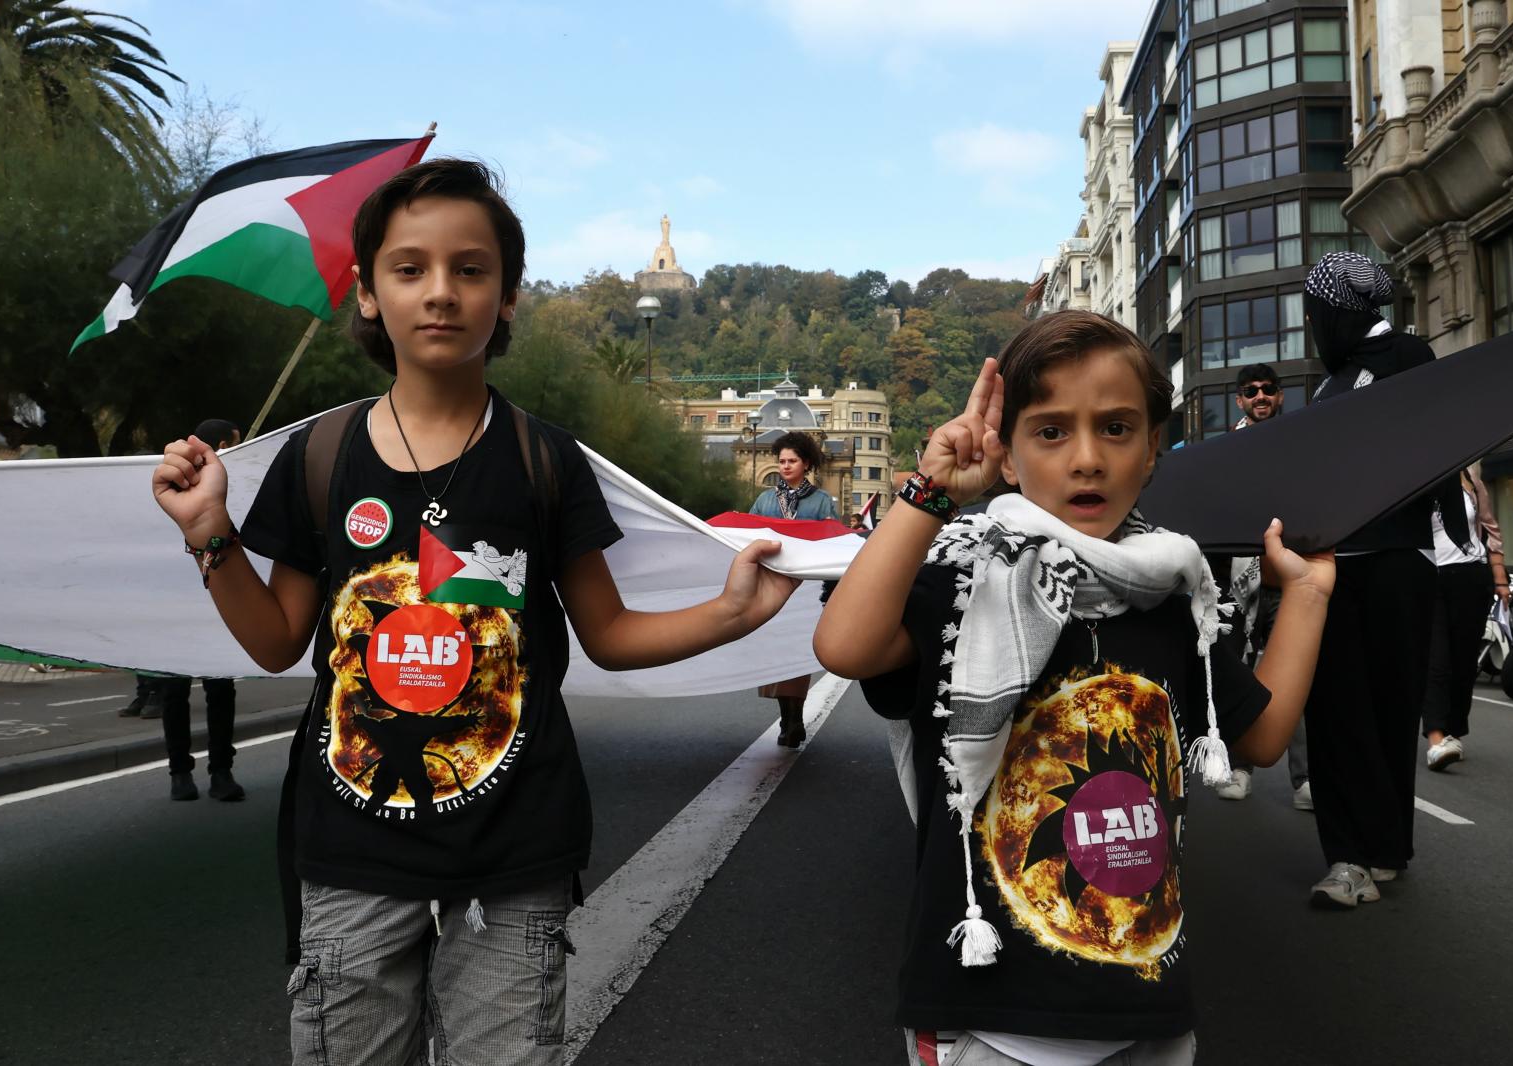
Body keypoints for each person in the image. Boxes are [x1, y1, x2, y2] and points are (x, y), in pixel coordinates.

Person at [150, 159, 799, 1065]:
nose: (441, 292)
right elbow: (272, 642)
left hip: (514, 853)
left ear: (509, 297)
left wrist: (732, 614)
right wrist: (210, 534)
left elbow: (608, 637)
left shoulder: (545, 460)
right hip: (349, 851)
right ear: (369, 294)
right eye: (409, 269)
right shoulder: (319, 455)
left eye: (471, 268)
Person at [815, 310, 1332, 1065]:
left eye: (1117, 429)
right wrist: (931, 491)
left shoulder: (1174, 593)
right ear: (1009, 456)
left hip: (1148, 1007)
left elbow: (1259, 735)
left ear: (1154, 448)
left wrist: (1310, 597)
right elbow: (846, 644)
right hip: (986, 1016)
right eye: (1051, 431)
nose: (1086, 458)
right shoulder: (961, 582)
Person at [1301, 251, 1464, 908]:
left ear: (1338, 310)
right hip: (1337, 565)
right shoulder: (1328, 382)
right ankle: (1353, 855)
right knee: (1339, 711)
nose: (1312, 326)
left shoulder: (1406, 357)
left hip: (1396, 562)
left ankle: (1381, 850)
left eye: (1315, 313)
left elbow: (1429, 448)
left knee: (1385, 712)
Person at [1214, 363, 1310, 810]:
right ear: (1239, 400)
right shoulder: (1228, 450)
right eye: (1251, 391)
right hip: (1239, 587)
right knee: (1241, 679)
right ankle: (1239, 767)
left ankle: (1305, 778)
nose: (1260, 397)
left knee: (1297, 679)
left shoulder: (1297, 446)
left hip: (1289, 581)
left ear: (1280, 395)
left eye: (1268, 390)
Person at [158, 419, 248, 802]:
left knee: (220, 688)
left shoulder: (228, 486)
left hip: (215, 601)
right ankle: (181, 771)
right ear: (224, 444)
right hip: (172, 607)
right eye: (239, 444)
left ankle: (220, 770)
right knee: (174, 691)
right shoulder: (169, 479)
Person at [748, 430, 837, 747]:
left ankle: (794, 719)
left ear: (806, 463)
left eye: (792, 460)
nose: (785, 466)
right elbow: (747, 537)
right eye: (781, 461)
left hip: (806, 590)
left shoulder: (822, 500)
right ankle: (786, 717)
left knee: (797, 655)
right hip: (770, 584)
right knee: (774, 654)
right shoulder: (765, 500)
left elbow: (832, 543)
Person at [1421, 468, 1506, 771]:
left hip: (1472, 577)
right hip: (1431, 578)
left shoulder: (1471, 481)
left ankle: (1452, 732)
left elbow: (1490, 528)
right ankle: (1434, 738)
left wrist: (1500, 579)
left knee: (1464, 663)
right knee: (1437, 661)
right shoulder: (1422, 480)